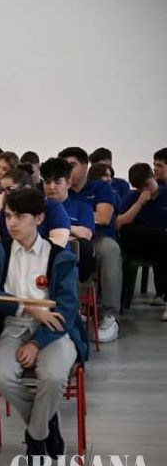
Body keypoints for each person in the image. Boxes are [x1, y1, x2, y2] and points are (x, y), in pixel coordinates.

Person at [0, 187, 87, 458]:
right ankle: (46, 422)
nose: (11, 223)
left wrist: (36, 343)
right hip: (11, 326)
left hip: (54, 330)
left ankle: (36, 435)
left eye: (20, 216)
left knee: (54, 376)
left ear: (38, 218)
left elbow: (67, 310)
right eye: (8, 216)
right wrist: (26, 307)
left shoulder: (60, 256)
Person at [59, 147, 121, 343]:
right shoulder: (61, 188)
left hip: (98, 238)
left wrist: (75, 219)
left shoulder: (100, 187)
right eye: (64, 166)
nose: (68, 170)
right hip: (69, 237)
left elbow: (104, 217)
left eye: (72, 165)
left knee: (110, 250)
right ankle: (72, 310)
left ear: (85, 166)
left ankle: (110, 317)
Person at [116, 162, 167, 316]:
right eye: (140, 188)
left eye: (147, 185)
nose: (145, 190)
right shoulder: (133, 197)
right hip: (139, 244)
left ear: (153, 176)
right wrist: (139, 203)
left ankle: (163, 294)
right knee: (127, 229)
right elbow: (119, 224)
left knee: (164, 246)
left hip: (161, 246)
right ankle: (162, 294)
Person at [0, 168, 71, 250]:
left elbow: (58, 242)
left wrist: (22, 252)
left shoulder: (51, 207)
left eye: (10, 189)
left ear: (27, 188)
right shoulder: (5, 213)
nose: (4, 195)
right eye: (2, 191)